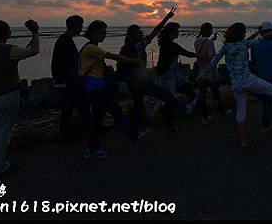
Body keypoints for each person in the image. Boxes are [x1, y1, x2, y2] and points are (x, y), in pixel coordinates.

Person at [210, 22, 272, 148]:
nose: (245, 33)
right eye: (244, 31)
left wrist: (206, 74)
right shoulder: (245, 44)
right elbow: (263, 38)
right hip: (249, 80)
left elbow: (213, 61)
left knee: (241, 112)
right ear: (241, 34)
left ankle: (244, 141)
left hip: (236, 85)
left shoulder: (226, 47)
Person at [0, 19, 40, 180]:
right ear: (8, 33)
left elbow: (26, 49)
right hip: (6, 95)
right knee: (2, 131)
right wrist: (35, 32)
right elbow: (33, 50)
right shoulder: (10, 50)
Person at [119, 8, 199, 134]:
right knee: (165, 95)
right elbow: (155, 31)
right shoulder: (138, 45)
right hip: (140, 81)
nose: (142, 33)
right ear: (135, 35)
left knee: (138, 106)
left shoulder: (125, 47)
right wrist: (167, 17)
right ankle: (185, 108)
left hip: (131, 82)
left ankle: (134, 132)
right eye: (139, 32)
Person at [79, 20, 150, 159]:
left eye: (105, 32)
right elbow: (113, 56)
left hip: (94, 87)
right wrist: (134, 61)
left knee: (97, 119)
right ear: (92, 33)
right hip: (96, 87)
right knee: (116, 111)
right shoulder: (91, 48)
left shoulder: (91, 47)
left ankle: (92, 150)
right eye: (101, 33)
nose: (104, 35)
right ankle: (133, 137)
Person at [156, 22, 211, 125]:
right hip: (169, 77)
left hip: (174, 75)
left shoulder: (164, 43)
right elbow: (187, 54)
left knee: (188, 93)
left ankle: (205, 114)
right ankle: (171, 125)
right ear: (171, 32)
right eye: (177, 31)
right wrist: (202, 56)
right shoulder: (171, 45)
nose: (178, 33)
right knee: (172, 100)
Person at [51, 15, 91, 142]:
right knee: (75, 106)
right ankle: (71, 134)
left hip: (65, 79)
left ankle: (77, 131)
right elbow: (70, 64)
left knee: (74, 107)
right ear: (76, 26)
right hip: (68, 80)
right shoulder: (66, 41)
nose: (82, 28)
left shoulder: (64, 39)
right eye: (81, 25)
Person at [194, 22, 233, 120]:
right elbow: (212, 57)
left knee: (203, 94)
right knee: (216, 94)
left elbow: (203, 47)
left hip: (201, 70)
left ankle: (205, 116)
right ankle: (222, 112)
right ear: (210, 30)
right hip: (210, 72)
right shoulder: (210, 42)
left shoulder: (196, 41)